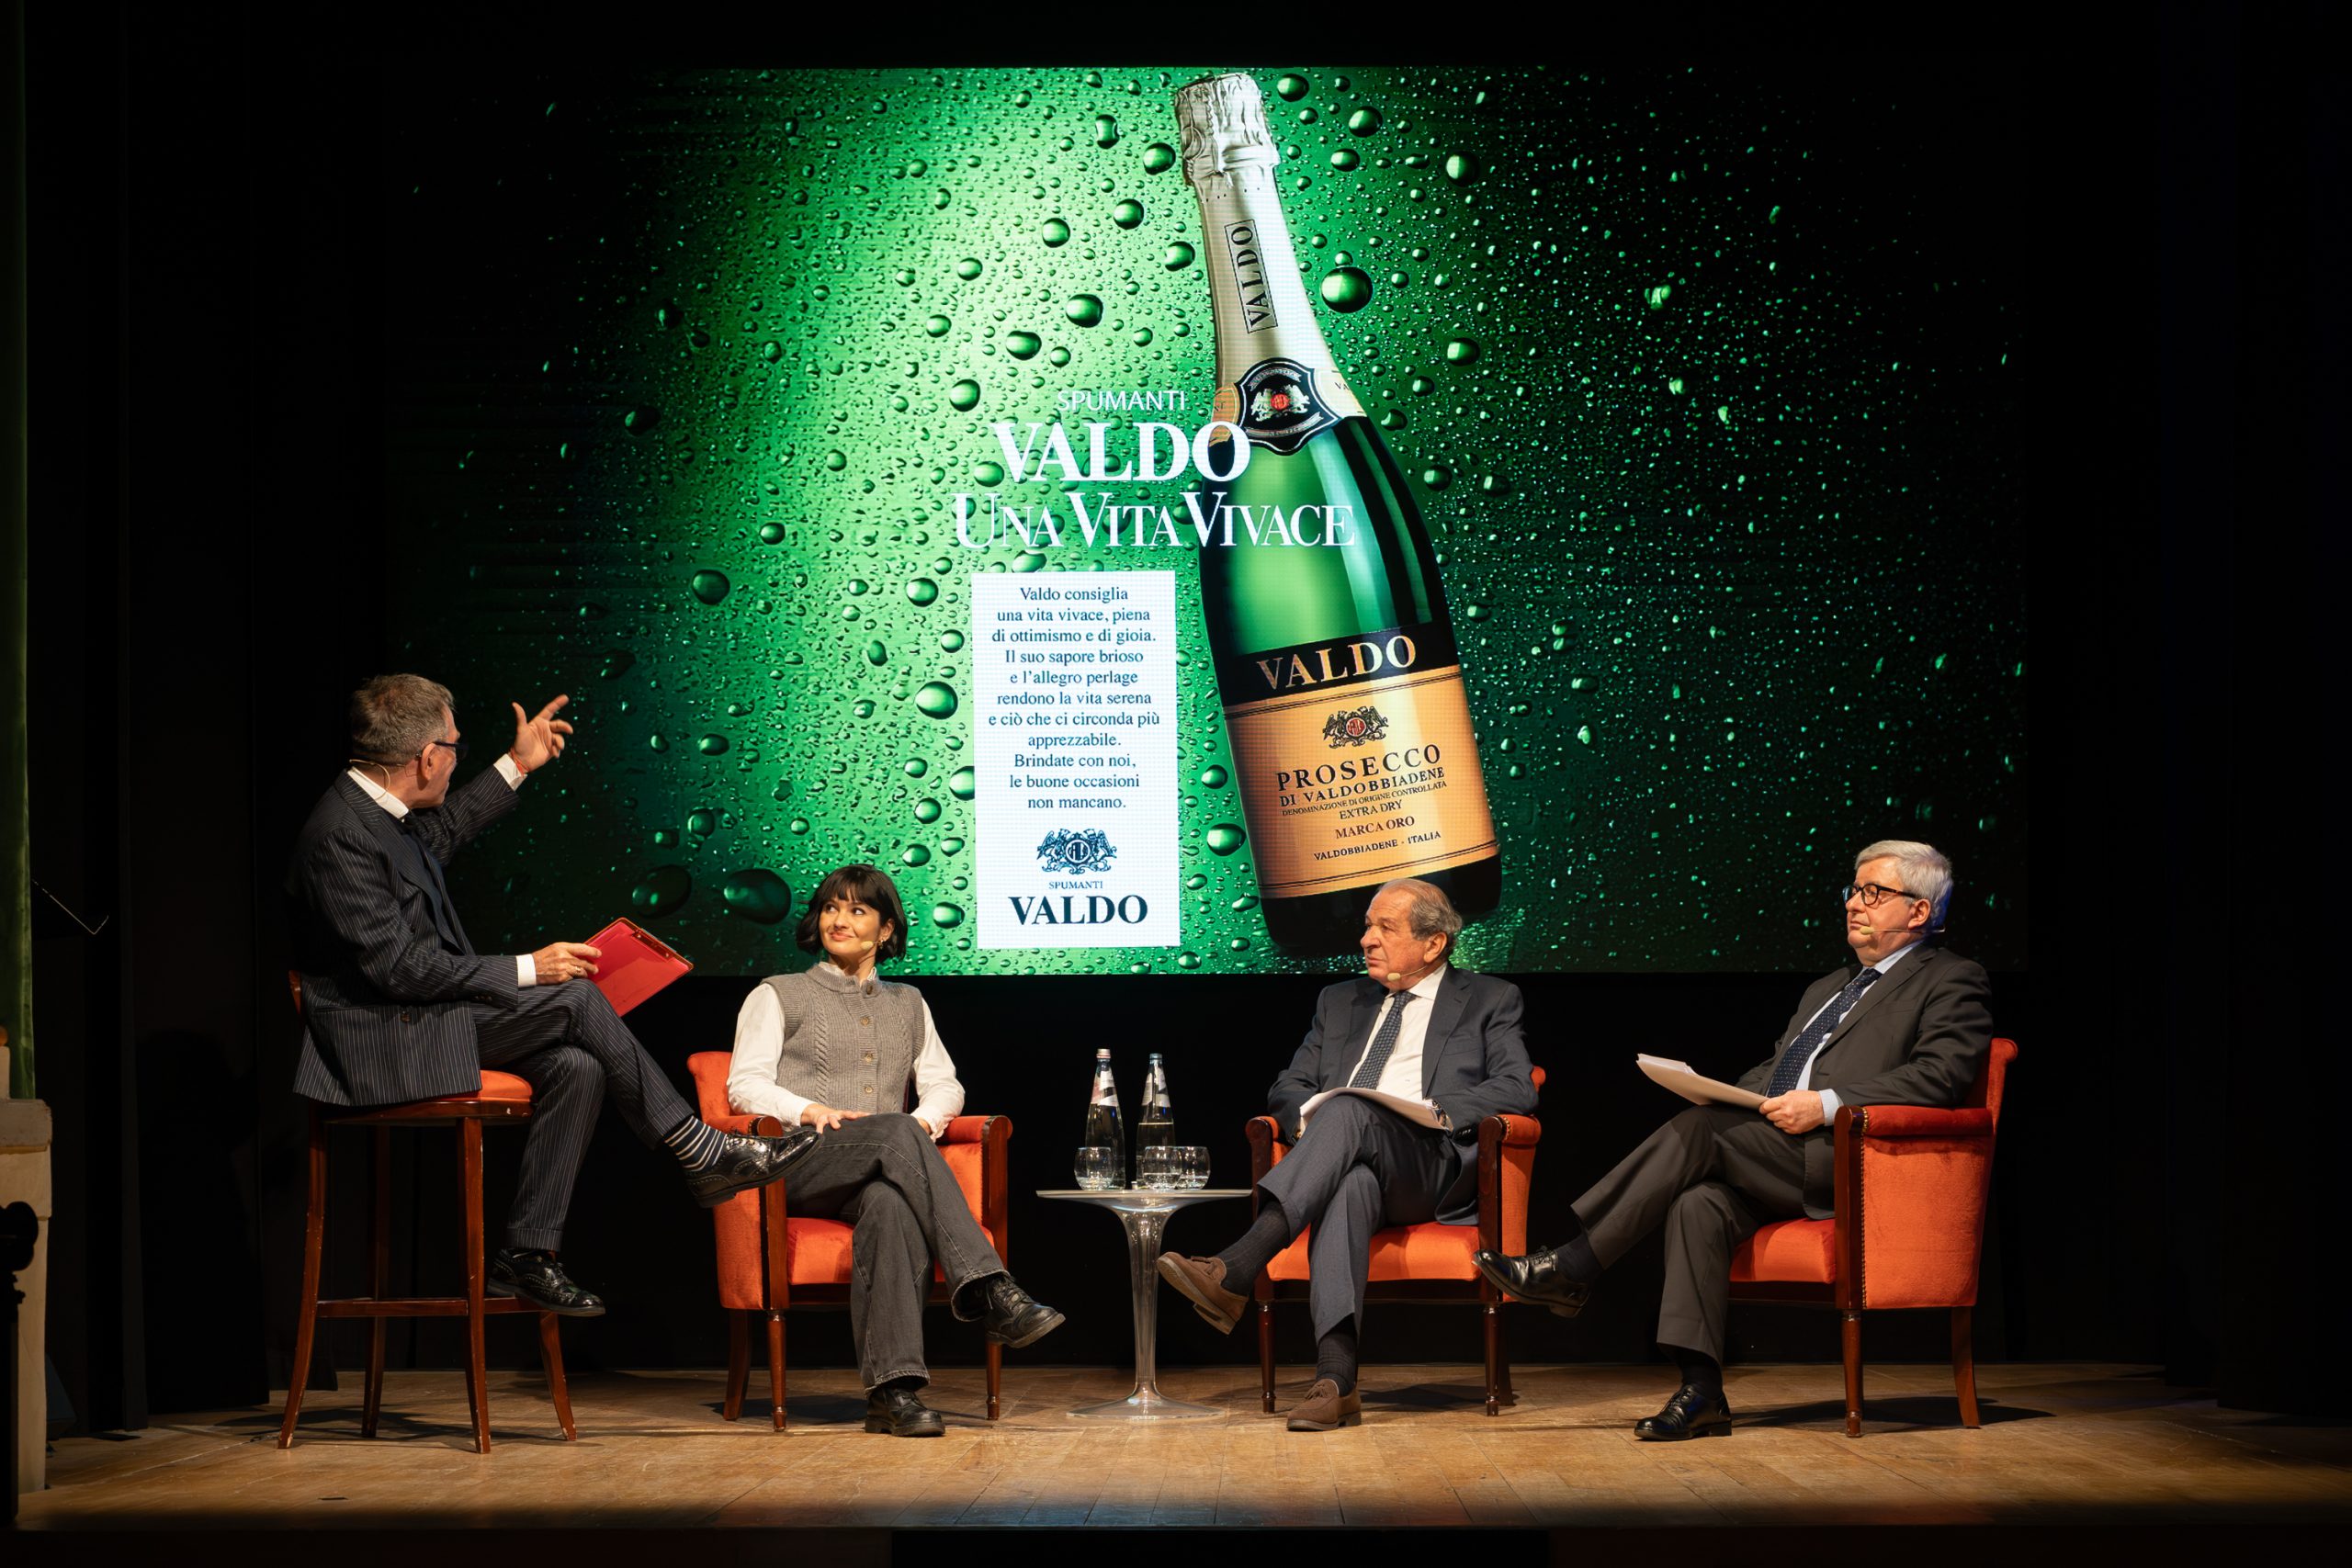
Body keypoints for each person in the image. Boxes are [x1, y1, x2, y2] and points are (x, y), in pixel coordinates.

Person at [286, 673, 819, 1317]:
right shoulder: (341, 834)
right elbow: (398, 969)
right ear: (427, 757)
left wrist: (517, 763)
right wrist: (528, 968)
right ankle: (698, 1149)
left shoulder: (378, 813)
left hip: (421, 1018)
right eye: (455, 746)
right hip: (379, 1041)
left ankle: (528, 1254)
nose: (456, 758)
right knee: (574, 998)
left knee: (578, 1065)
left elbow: (444, 831)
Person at [1474, 839, 1994, 1440]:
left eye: (1874, 893)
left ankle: (1573, 1265)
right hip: (1782, 1154)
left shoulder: (1952, 979)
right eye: (1854, 890)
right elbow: (1778, 1069)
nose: (1854, 903)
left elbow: (1941, 1075)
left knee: (1701, 1134)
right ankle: (1702, 1390)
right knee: (1699, 1203)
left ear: (1919, 910)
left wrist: (1826, 1104)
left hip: (1856, 1162)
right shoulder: (1828, 987)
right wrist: (1726, 1095)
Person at [1155, 879, 1536, 1431]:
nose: (1366, 939)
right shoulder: (1339, 1001)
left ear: (1433, 944)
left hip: (1426, 1163)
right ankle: (1336, 1382)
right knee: (1350, 1177)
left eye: (1385, 928)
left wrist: (1435, 1109)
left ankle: (1238, 1265)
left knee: (1350, 1108)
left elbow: (1517, 1086)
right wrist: (1317, 1125)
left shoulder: (1488, 999)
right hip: (1344, 1158)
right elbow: (1289, 1088)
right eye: (1367, 926)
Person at [725, 863, 1065, 1437]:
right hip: (798, 1163)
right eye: (831, 907)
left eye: (857, 910)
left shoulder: (909, 1002)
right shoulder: (777, 994)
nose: (839, 920)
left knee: (890, 1205)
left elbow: (944, 1084)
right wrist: (809, 1109)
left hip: (875, 1168)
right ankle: (991, 1289)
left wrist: (924, 1121)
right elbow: (744, 1086)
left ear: (885, 930)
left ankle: (892, 1393)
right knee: (896, 1134)